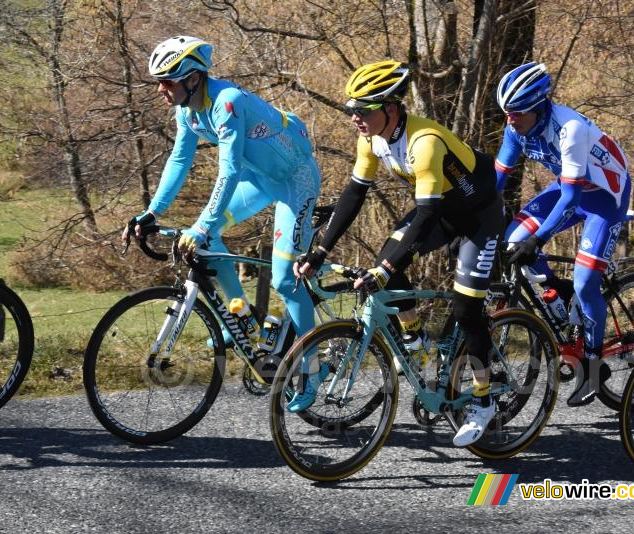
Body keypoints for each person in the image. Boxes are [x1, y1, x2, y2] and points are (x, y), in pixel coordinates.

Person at [295, 60, 504, 446]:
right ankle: (415, 338)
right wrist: (321, 251)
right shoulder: (371, 138)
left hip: (478, 216)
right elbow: (355, 193)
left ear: (391, 108)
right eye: (351, 109)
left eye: (364, 109)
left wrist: (388, 267)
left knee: (465, 307)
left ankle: (483, 398)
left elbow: (427, 212)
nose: (355, 117)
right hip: (440, 209)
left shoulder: (424, 143)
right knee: (384, 265)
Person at [125, 36, 321, 405]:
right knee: (202, 234)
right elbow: (178, 161)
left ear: (193, 78)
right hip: (260, 180)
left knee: (284, 278)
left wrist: (202, 225)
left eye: (167, 81)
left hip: (296, 182)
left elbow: (228, 170)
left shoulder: (226, 102)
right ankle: (242, 317)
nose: (160, 90)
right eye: (159, 82)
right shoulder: (186, 110)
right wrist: (153, 211)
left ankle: (312, 368)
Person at [494, 62, 632, 407]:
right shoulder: (516, 127)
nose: (511, 120)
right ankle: (559, 292)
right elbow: (497, 180)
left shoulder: (570, 129)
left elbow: (570, 200)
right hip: (570, 186)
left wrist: (537, 240)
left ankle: (593, 364)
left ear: (540, 106)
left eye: (518, 112)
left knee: (586, 282)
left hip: (604, 197)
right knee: (512, 240)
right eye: (507, 112)